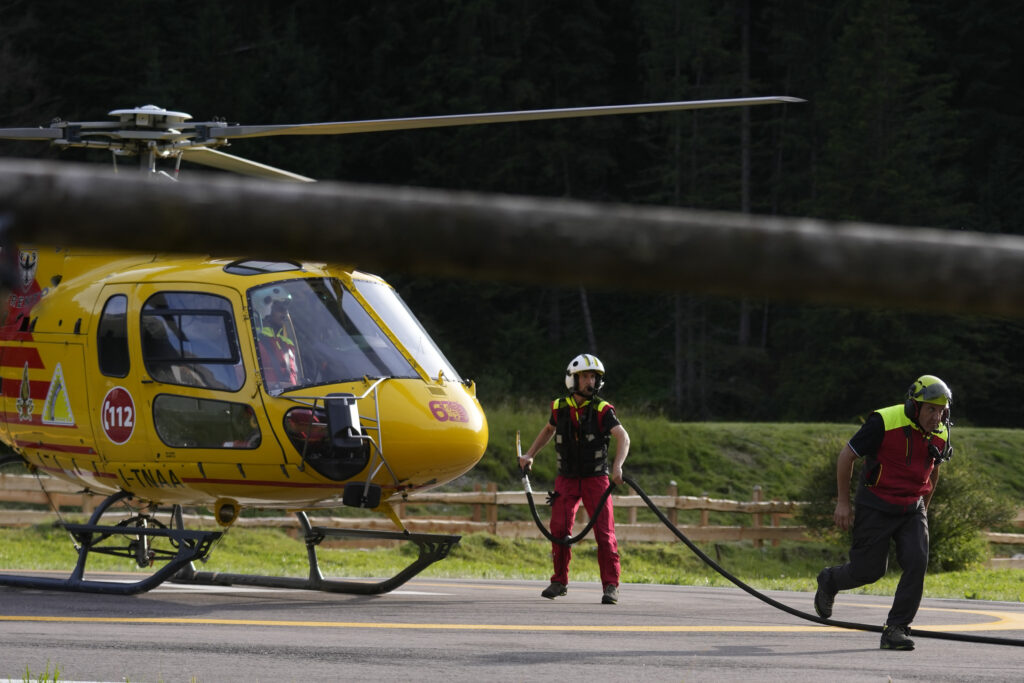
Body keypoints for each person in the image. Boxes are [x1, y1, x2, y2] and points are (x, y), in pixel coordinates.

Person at [814, 375, 953, 651]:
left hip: (911, 507)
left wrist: (923, 509)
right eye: (930, 409)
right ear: (915, 406)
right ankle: (830, 580)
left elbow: (933, 470)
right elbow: (847, 456)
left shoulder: (940, 431)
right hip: (876, 504)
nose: (936, 417)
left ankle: (896, 629)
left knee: (917, 561)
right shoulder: (883, 422)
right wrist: (843, 503)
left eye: (941, 411)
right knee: (869, 571)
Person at [518, 353, 630, 605]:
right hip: (566, 479)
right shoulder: (559, 407)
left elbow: (624, 437)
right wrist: (530, 455)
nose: (591, 382)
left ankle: (611, 586)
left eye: (594, 377)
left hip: (596, 479)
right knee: (558, 530)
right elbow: (549, 429)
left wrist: (618, 467)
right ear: (573, 380)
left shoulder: (603, 409)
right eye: (586, 377)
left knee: (604, 533)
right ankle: (559, 581)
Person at [256, 290, 299, 392]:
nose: (285, 314)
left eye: (286, 310)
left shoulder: (288, 343)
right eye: (280, 310)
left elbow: (294, 375)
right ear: (264, 310)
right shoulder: (253, 341)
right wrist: (276, 386)